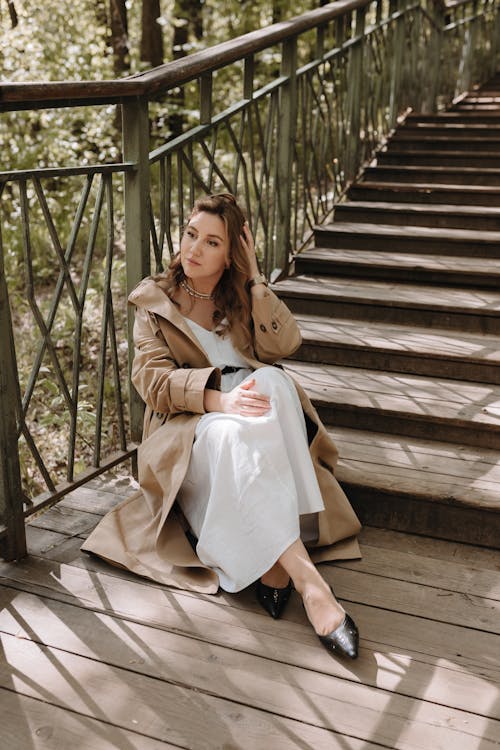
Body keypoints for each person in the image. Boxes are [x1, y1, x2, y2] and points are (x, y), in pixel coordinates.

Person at [82, 192, 362, 659]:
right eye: (191, 234)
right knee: (234, 430)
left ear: (230, 252)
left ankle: (275, 561)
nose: (193, 248)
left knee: (274, 380)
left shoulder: (239, 296)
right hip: (192, 427)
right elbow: (151, 382)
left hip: (256, 420)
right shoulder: (155, 300)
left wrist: (255, 281)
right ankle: (310, 583)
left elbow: (286, 342)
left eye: (212, 242)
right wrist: (219, 400)